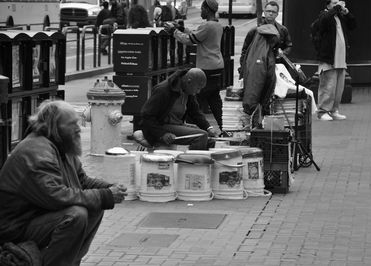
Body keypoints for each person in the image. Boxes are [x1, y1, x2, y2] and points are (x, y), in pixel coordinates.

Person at [0, 100, 128, 266]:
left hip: (36, 216)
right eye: (72, 124)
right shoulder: (36, 152)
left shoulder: (61, 144)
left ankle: (71, 262)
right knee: (75, 215)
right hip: (16, 227)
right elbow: (56, 196)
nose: (78, 128)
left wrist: (109, 188)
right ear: (55, 127)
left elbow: (82, 180)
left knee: (96, 205)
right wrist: (105, 195)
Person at [169, 0, 225, 135]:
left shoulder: (207, 25)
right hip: (217, 65)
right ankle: (223, 127)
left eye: (202, 9)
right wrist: (182, 29)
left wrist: (174, 32)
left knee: (195, 98)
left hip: (206, 67)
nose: (201, 11)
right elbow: (197, 35)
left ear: (207, 9)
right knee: (213, 97)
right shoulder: (217, 25)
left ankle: (193, 129)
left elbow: (189, 40)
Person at [140, 68, 219, 150]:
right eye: (198, 88)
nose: (198, 92)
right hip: (159, 127)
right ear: (188, 81)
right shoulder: (163, 90)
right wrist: (162, 134)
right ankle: (191, 161)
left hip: (175, 124)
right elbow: (146, 116)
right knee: (201, 136)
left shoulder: (187, 90)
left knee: (209, 140)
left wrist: (208, 128)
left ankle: (204, 160)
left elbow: (195, 112)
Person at [315, 0, 356, 121]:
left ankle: (334, 110)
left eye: (338, 2)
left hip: (341, 59)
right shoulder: (324, 15)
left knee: (338, 88)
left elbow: (353, 25)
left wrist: (347, 13)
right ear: (328, 5)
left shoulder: (340, 17)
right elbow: (323, 22)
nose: (337, 5)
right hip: (328, 59)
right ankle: (322, 111)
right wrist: (336, 9)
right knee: (328, 86)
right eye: (334, 3)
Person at [240, 0, 292, 73]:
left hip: (276, 66)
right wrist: (243, 69)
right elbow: (245, 51)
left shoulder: (283, 30)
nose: (270, 13)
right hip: (257, 67)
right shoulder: (254, 31)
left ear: (277, 14)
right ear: (264, 12)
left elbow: (289, 45)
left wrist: (283, 53)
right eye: (268, 11)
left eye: (273, 12)